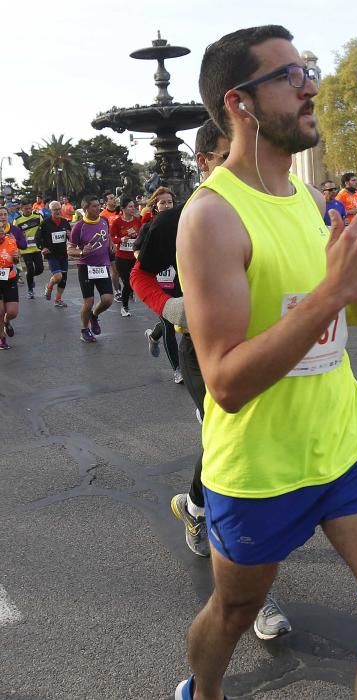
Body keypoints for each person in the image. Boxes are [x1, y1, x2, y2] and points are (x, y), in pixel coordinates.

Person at [174, 24, 357, 700]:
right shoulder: (210, 218)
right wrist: (333, 291)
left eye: (308, 70)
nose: (311, 87)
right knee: (235, 613)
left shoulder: (308, 197)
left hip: (348, 446)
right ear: (240, 103)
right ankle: (201, 691)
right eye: (290, 76)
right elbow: (227, 382)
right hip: (261, 469)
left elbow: (310, 314)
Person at [131, 119, 292, 641]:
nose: (244, 164)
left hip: (268, 349)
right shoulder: (180, 218)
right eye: (228, 155)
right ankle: (256, 599)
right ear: (203, 161)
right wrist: (171, 307)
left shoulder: (274, 207)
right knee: (239, 455)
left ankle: (194, 506)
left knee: (240, 448)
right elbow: (138, 274)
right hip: (205, 352)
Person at [137, 187, 181, 382]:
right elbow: (137, 251)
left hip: (178, 279)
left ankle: (154, 335)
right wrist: (148, 264)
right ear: (154, 206)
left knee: (177, 320)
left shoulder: (180, 223)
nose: (166, 205)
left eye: (169, 202)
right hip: (159, 282)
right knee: (169, 325)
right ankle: (177, 369)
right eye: (162, 202)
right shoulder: (149, 227)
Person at [67, 195, 113, 343]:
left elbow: (108, 236)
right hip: (86, 267)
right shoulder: (79, 227)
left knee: (107, 300)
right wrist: (81, 252)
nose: (98, 208)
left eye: (98, 205)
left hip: (102, 265)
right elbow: (70, 249)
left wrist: (111, 246)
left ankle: (94, 315)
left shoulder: (104, 220)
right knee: (89, 302)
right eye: (94, 206)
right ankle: (84, 329)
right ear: (86, 209)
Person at [110, 195, 141, 317]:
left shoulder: (137, 220)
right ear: (123, 208)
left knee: (133, 281)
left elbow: (142, 234)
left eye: (134, 206)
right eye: (130, 206)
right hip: (121, 257)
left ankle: (129, 292)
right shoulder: (117, 222)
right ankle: (124, 307)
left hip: (134, 256)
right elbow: (112, 238)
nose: (133, 208)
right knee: (127, 283)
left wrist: (139, 239)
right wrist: (121, 239)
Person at [38, 200, 71, 307]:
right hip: (51, 254)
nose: (57, 211)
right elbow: (37, 238)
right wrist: (42, 248)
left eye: (58, 209)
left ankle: (58, 299)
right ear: (50, 210)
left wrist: (69, 235)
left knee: (63, 278)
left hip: (63, 253)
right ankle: (49, 286)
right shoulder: (45, 223)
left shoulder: (65, 222)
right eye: (54, 209)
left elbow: (71, 237)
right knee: (58, 277)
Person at [0, 207, 25, 348]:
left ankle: (7, 321)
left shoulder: (10, 241)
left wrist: (16, 258)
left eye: (2, 232)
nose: (1, 235)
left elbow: (16, 260)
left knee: (12, 312)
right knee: (0, 311)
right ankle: (2, 338)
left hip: (9, 277)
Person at [14, 199, 44, 299]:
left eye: (29, 208)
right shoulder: (17, 220)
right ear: (21, 209)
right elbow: (14, 235)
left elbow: (44, 230)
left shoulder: (38, 216)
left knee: (40, 269)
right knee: (30, 267)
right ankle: (30, 289)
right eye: (25, 209)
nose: (28, 210)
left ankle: (29, 276)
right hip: (25, 250)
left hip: (37, 248)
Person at [100, 191, 121, 301]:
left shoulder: (121, 212)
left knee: (125, 269)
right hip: (110, 246)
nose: (114, 199)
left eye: (114, 197)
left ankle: (127, 289)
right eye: (111, 198)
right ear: (106, 202)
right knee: (115, 270)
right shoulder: (103, 215)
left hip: (123, 245)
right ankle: (117, 291)